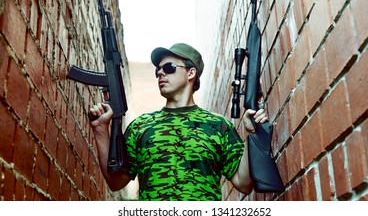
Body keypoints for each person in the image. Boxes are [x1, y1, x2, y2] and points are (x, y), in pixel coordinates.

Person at [89, 43, 269, 201]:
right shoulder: (140, 126)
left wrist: (253, 135)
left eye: (169, 67)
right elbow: (115, 182)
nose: (160, 72)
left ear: (191, 73)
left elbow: (243, 184)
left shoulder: (218, 126)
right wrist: (101, 130)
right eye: (157, 70)